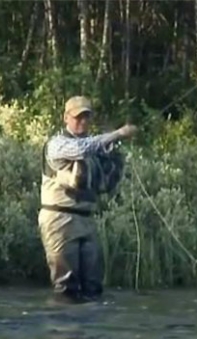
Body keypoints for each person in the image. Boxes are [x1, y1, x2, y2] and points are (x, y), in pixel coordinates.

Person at [39, 96, 138, 304]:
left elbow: (106, 178)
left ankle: (89, 324)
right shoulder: (57, 144)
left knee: (93, 286)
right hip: (59, 219)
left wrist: (114, 151)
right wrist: (117, 134)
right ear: (66, 117)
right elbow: (81, 149)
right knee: (66, 286)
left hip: (86, 219)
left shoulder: (95, 147)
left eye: (86, 117)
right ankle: (62, 323)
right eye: (78, 117)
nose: (82, 122)